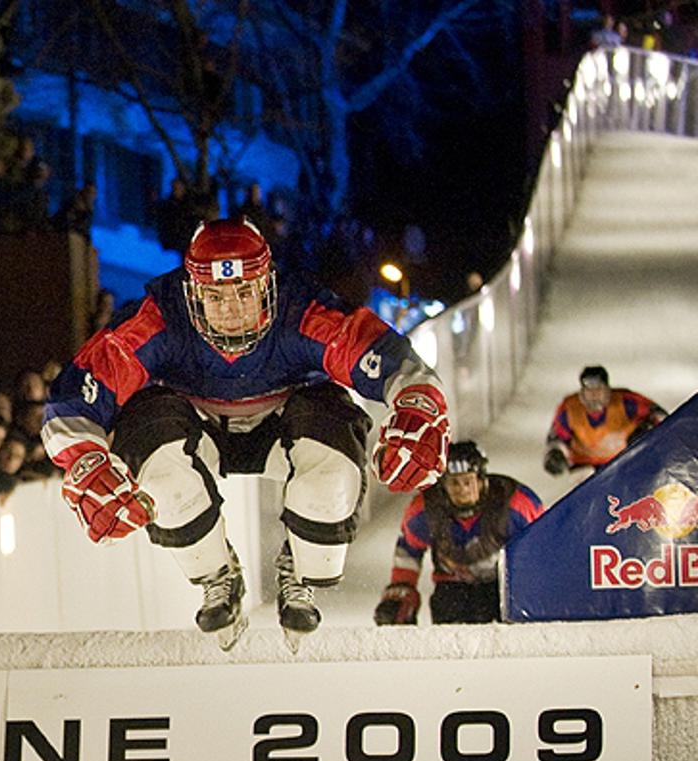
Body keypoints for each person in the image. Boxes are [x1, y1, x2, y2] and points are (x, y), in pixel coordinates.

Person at [42, 217, 450, 650]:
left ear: (268, 286)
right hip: (191, 428)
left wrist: (417, 406)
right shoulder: (157, 318)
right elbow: (77, 396)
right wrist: (86, 461)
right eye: (215, 296)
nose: (231, 309)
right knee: (158, 473)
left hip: (290, 424)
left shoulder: (306, 312)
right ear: (192, 292)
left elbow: (387, 357)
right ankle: (217, 574)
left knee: (330, 479)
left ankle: (304, 565)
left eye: (243, 293)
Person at [374, 441, 543, 625]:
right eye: (454, 483)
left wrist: (540, 590)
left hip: (503, 586)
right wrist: (401, 595)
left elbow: (543, 546)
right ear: (442, 486)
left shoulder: (516, 503)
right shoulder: (424, 511)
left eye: (467, 481)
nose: (462, 489)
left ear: (480, 480)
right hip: (452, 588)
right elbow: (408, 551)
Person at [544, 365, 666, 475]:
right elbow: (557, 438)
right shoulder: (570, 408)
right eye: (589, 390)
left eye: (599, 389)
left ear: (608, 389)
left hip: (626, 461)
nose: (594, 395)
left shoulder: (627, 402)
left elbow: (661, 417)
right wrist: (556, 455)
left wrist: (647, 434)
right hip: (585, 468)